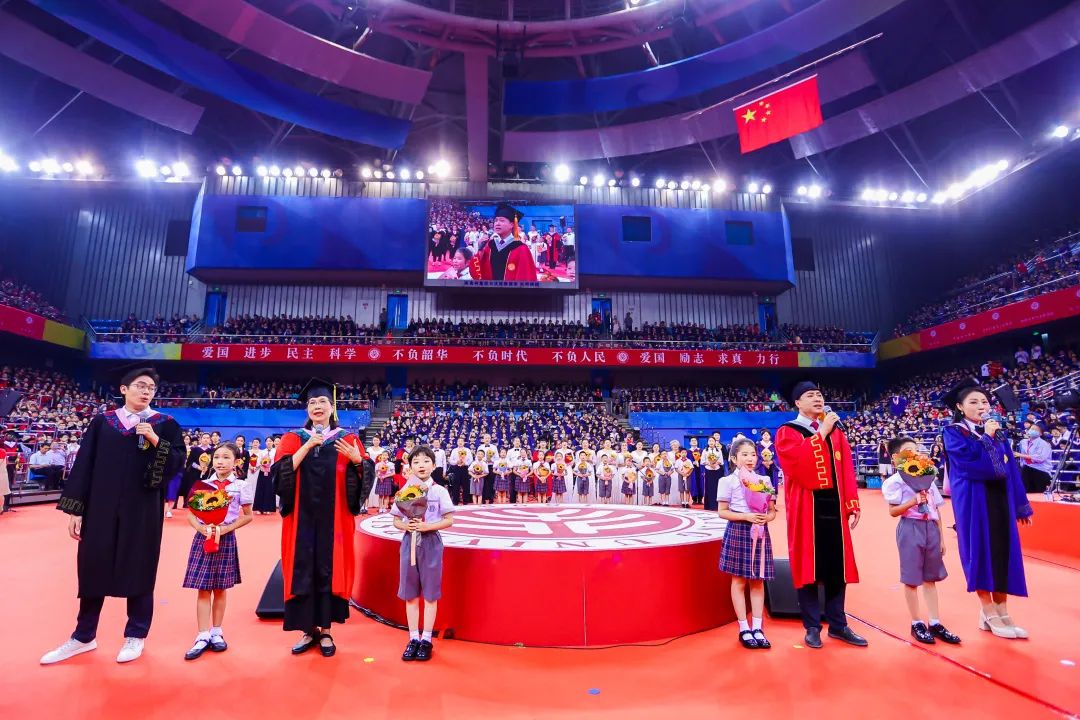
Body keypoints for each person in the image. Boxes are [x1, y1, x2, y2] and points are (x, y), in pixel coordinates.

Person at [41, 368, 185, 665]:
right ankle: (84, 636)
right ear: (123, 389)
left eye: (151, 388)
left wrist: (156, 440)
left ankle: (136, 634)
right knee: (93, 564)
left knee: (140, 565)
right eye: (140, 386)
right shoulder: (103, 422)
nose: (146, 391)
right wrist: (76, 508)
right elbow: (85, 464)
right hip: (101, 506)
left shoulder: (165, 424)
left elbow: (176, 464)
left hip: (142, 508)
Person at [271, 378, 372, 657]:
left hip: (334, 520)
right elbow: (279, 475)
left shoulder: (347, 439)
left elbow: (365, 476)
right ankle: (307, 630)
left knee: (330, 568)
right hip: (300, 520)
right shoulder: (292, 439)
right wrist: (307, 447)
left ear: (332, 406)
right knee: (303, 569)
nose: (317, 406)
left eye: (323, 401)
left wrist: (357, 460)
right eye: (312, 402)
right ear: (307, 409)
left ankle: (326, 631)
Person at [775, 381, 867, 649]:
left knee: (837, 568)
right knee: (808, 568)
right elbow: (797, 467)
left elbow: (846, 467)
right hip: (807, 509)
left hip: (834, 510)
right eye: (810, 395)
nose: (817, 398)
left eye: (819, 394)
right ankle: (812, 627)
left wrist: (852, 502)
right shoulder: (788, 432)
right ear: (797, 403)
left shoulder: (836, 432)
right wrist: (821, 433)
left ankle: (838, 625)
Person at [941, 379, 1034, 640]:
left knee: (1003, 552)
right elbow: (970, 465)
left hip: (1000, 499)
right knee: (980, 552)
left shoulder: (996, 432)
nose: (981, 406)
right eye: (974, 402)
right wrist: (987, 438)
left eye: (984, 401)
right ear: (960, 407)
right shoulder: (953, 432)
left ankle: (1002, 610)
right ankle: (988, 610)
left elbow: (1010, 468)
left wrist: (1020, 506)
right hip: (974, 500)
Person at [882, 437, 961, 646]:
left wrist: (941, 538)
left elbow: (936, 509)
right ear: (896, 457)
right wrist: (912, 501)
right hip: (910, 528)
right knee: (911, 578)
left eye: (916, 450)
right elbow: (893, 511)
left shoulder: (927, 476)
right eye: (909, 450)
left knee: (931, 578)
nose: (915, 454)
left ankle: (935, 622)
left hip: (931, 529)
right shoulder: (895, 481)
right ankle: (916, 622)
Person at [182, 442, 254, 660]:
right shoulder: (202, 484)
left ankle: (216, 632)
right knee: (203, 588)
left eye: (226, 457)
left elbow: (248, 516)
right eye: (217, 458)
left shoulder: (241, 486)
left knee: (221, 588)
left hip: (226, 539)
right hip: (203, 538)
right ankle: (202, 634)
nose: (220, 462)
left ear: (236, 462)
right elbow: (191, 514)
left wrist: (225, 529)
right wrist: (201, 528)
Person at [392, 446, 455, 662]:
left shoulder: (439, 491)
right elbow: (396, 520)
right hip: (409, 543)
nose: (421, 465)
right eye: (416, 462)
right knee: (410, 594)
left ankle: (426, 639)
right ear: (410, 467)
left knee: (430, 594)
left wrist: (428, 526)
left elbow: (449, 520)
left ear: (434, 465)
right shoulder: (404, 491)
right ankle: (413, 638)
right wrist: (406, 526)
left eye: (426, 461)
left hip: (431, 543)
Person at [717, 439, 777, 649]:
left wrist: (766, 518)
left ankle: (758, 628)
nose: (750, 458)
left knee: (758, 581)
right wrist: (746, 516)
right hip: (739, 530)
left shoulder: (765, 480)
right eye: (744, 454)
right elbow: (722, 511)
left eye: (753, 454)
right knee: (739, 581)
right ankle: (744, 628)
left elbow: (772, 512)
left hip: (759, 532)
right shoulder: (727, 481)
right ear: (734, 458)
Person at [468, 204, 539, 282]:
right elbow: (475, 272)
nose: (497, 223)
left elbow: (526, 277)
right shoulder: (489, 245)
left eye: (502, 220)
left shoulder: (521, 248)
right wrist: (480, 251)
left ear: (512, 225)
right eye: (496, 220)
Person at [1015, 426, 1053, 493]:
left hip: (1041, 470)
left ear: (1040, 434)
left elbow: (1041, 458)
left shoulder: (1044, 444)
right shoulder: (1023, 442)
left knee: (1025, 469)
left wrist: (1021, 455)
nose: (1032, 430)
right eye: (1031, 429)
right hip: (1026, 469)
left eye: (1035, 430)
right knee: (1020, 468)